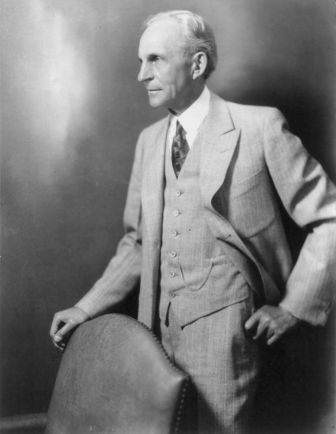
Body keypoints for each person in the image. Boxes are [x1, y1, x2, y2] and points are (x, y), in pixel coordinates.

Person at [50, 10, 336, 434]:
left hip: (228, 341)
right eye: (141, 61)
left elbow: (329, 217)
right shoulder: (149, 142)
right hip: (153, 341)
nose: (141, 74)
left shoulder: (259, 127)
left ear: (197, 64)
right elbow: (138, 243)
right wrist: (85, 307)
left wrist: (293, 309)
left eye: (155, 60)